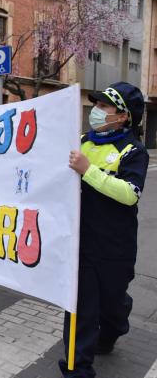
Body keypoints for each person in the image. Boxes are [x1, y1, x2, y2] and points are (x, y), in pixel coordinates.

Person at [63, 82, 149, 378]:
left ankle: (115, 324)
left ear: (123, 115)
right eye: (96, 105)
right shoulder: (82, 142)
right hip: (82, 242)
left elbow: (130, 193)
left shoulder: (133, 151)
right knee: (80, 308)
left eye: (104, 107)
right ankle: (77, 368)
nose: (96, 112)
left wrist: (89, 171)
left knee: (111, 304)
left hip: (115, 246)